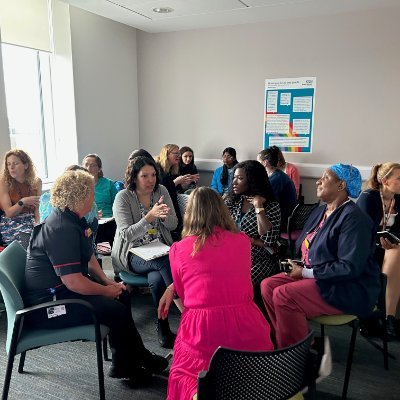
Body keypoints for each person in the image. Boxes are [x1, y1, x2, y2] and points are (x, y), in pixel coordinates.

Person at [23, 170, 168, 383]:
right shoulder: (61, 228)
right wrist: (106, 290)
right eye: (91, 192)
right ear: (80, 196)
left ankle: (125, 361)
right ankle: (133, 361)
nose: (95, 197)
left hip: (65, 292)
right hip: (49, 307)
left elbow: (89, 256)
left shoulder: (73, 219)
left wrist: (107, 281)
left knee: (122, 295)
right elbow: (73, 281)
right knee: (116, 307)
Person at [158, 187, 274, 400]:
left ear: (190, 213)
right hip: (248, 325)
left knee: (183, 374)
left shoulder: (179, 249)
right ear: (222, 210)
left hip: (204, 330)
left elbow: (185, 299)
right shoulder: (242, 241)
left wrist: (172, 286)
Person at [261, 164, 380, 348]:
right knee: (268, 285)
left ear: (341, 186)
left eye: (325, 178)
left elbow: (348, 267)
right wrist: (299, 265)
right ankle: (294, 342)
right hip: (320, 276)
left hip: (345, 286)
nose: (318, 181)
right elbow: (311, 248)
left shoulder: (355, 219)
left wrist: (306, 272)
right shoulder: (320, 211)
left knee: (284, 295)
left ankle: (296, 356)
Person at [111, 156, 182, 348]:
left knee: (157, 279)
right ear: (134, 178)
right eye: (145, 176)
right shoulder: (123, 197)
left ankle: (163, 326)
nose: (151, 180)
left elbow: (174, 225)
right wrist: (149, 217)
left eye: (153, 175)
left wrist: (165, 216)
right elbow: (126, 235)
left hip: (160, 248)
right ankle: (184, 309)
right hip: (132, 253)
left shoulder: (162, 191)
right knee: (164, 262)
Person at [357, 162, 400, 339]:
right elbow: (364, 231)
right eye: (399, 178)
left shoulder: (399, 198)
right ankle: (388, 316)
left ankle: (388, 316)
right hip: (365, 248)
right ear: (385, 181)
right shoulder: (369, 197)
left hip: (388, 247)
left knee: (396, 250)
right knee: (396, 253)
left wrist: (393, 239)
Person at [225, 160, 281, 286]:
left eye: (240, 178)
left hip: (258, 258)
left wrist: (258, 207)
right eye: (234, 177)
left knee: (239, 283)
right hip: (232, 254)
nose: (234, 182)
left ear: (252, 180)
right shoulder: (232, 202)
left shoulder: (271, 206)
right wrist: (252, 240)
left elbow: (268, 239)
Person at [0, 149, 41, 246]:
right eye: (9, 164)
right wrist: (23, 201)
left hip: (30, 219)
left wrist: (38, 223)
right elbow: (9, 213)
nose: (11, 167)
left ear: (26, 165)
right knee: (30, 240)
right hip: (11, 222)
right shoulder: (3, 183)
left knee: (46, 235)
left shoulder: (37, 182)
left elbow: (37, 209)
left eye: (15, 163)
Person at [257, 147, 297, 231]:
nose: (257, 165)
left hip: (283, 220)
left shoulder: (276, 178)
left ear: (265, 163)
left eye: (259, 162)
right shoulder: (277, 175)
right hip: (285, 216)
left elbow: (267, 201)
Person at [156, 144, 190, 240]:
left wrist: (184, 182)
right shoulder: (158, 169)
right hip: (163, 204)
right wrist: (176, 182)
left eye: (179, 154)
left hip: (172, 201)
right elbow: (160, 189)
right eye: (176, 153)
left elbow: (174, 189)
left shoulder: (171, 170)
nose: (179, 156)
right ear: (166, 154)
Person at [82, 154, 117, 246]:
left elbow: (118, 204)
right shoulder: (80, 186)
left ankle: (105, 255)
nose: (88, 168)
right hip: (90, 221)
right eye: (86, 165)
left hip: (108, 219)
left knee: (107, 230)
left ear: (99, 168)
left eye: (93, 165)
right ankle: (100, 255)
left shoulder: (108, 184)